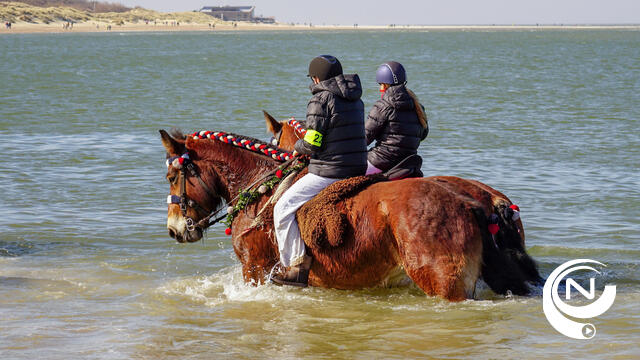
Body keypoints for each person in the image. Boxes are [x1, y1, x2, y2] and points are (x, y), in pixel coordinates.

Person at [271, 55, 367, 287]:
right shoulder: (356, 98)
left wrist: (296, 146)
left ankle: (296, 267)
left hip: (329, 171)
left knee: (281, 208)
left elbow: (313, 143)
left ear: (316, 77)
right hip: (358, 167)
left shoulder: (320, 99)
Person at [365, 61, 428, 175]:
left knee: (343, 177)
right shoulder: (418, 106)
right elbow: (423, 135)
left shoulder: (382, 106)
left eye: (380, 84)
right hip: (408, 162)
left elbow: (365, 138)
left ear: (384, 85)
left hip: (381, 161)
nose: (380, 88)